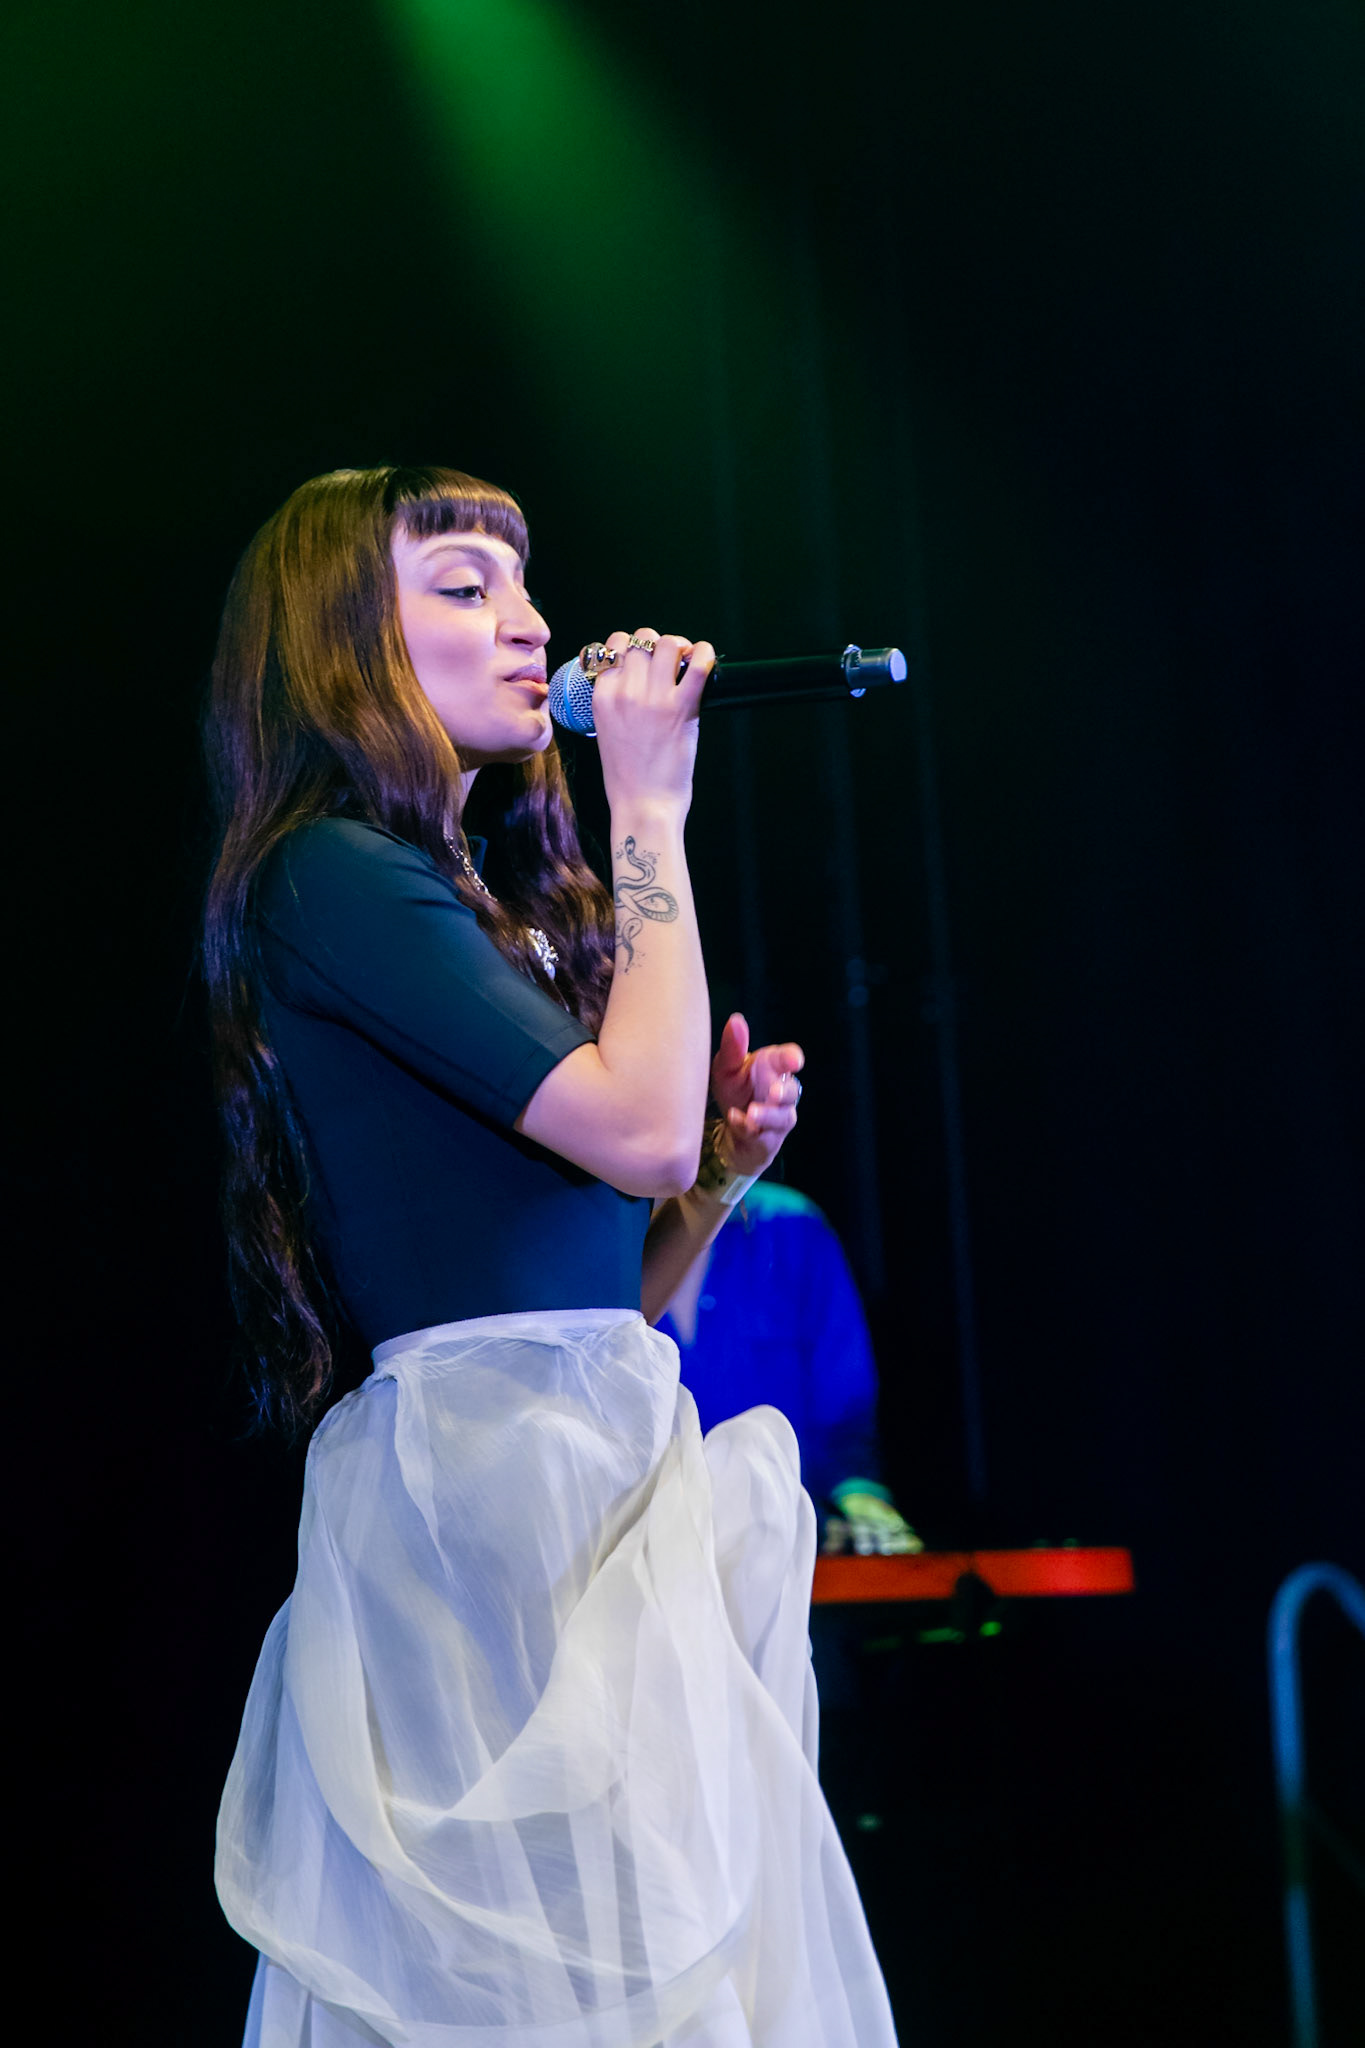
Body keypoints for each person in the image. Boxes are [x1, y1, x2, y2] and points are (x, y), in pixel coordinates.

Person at [204, 465, 897, 2048]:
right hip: (489, 1485)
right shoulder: (332, 875)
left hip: (581, 1443)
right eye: (461, 587)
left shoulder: (470, 898)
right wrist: (652, 806)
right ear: (338, 647)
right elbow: (631, 1129)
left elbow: (610, 1265)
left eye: (524, 589)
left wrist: (715, 1184)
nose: (527, 629)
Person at [658, 1181, 921, 1556]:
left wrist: (857, 1498)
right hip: (645, 1554)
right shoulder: (591, 1233)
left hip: (792, 1552)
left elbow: (845, 1419)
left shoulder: (791, 1227)